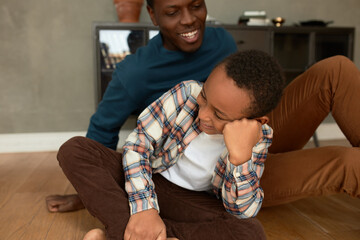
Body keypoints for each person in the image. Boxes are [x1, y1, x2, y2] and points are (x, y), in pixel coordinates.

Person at [47, 0, 360, 229]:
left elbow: (244, 88)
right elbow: (107, 134)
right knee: (349, 164)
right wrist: (88, 191)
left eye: (196, 6)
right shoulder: (139, 74)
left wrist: (244, 152)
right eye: (172, 12)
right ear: (153, 15)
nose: (188, 20)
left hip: (244, 147)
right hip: (181, 160)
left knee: (337, 68)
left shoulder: (221, 40)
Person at [57, 49, 285, 240]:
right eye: (205, 96)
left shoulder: (258, 138)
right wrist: (145, 208)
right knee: (75, 149)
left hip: (191, 202)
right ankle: (140, 229)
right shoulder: (185, 94)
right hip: (149, 177)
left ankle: (124, 233)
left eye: (218, 114)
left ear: (254, 121)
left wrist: (240, 159)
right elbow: (138, 146)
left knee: (250, 232)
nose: (203, 115)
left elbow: (243, 210)